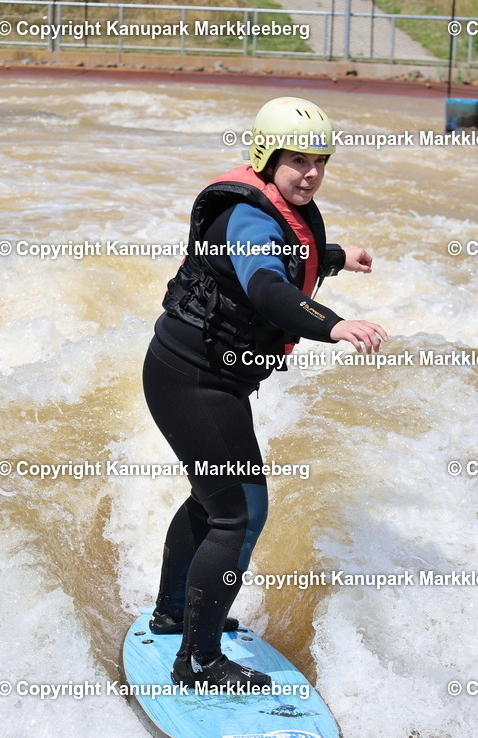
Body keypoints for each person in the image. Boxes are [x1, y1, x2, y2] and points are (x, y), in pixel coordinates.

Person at [142, 97, 387, 691]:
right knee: (240, 513)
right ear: (266, 156)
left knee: (213, 502)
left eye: (320, 161)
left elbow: (289, 253)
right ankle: (198, 662)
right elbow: (266, 285)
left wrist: (336, 256)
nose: (311, 174)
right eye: (298, 160)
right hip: (195, 381)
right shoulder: (246, 217)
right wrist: (333, 325)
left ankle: (175, 613)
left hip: (198, 375)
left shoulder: (269, 208)